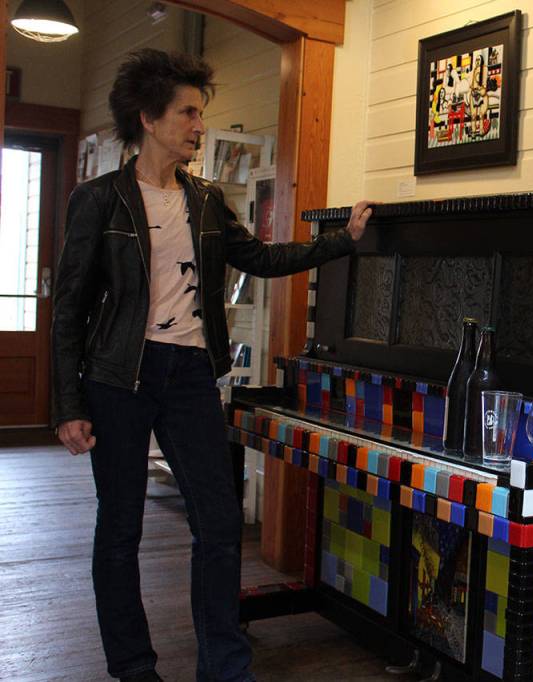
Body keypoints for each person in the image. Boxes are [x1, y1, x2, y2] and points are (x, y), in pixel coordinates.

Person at [51, 48, 373, 682]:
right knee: (120, 530)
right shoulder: (99, 200)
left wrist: (341, 242)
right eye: (187, 113)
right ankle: (133, 667)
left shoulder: (205, 199)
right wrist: (68, 404)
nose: (199, 126)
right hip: (118, 378)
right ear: (148, 118)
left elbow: (261, 258)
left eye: (201, 113)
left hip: (191, 374)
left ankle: (224, 668)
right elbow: (69, 309)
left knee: (220, 525)